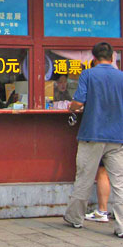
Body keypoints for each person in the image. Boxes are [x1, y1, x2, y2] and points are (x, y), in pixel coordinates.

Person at [63, 42, 123, 238]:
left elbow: (79, 102)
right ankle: (121, 227)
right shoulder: (121, 77)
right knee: (119, 183)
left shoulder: (88, 74)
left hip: (92, 134)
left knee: (84, 178)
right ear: (112, 57)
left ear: (94, 59)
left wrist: (72, 107)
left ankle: (75, 218)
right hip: (117, 136)